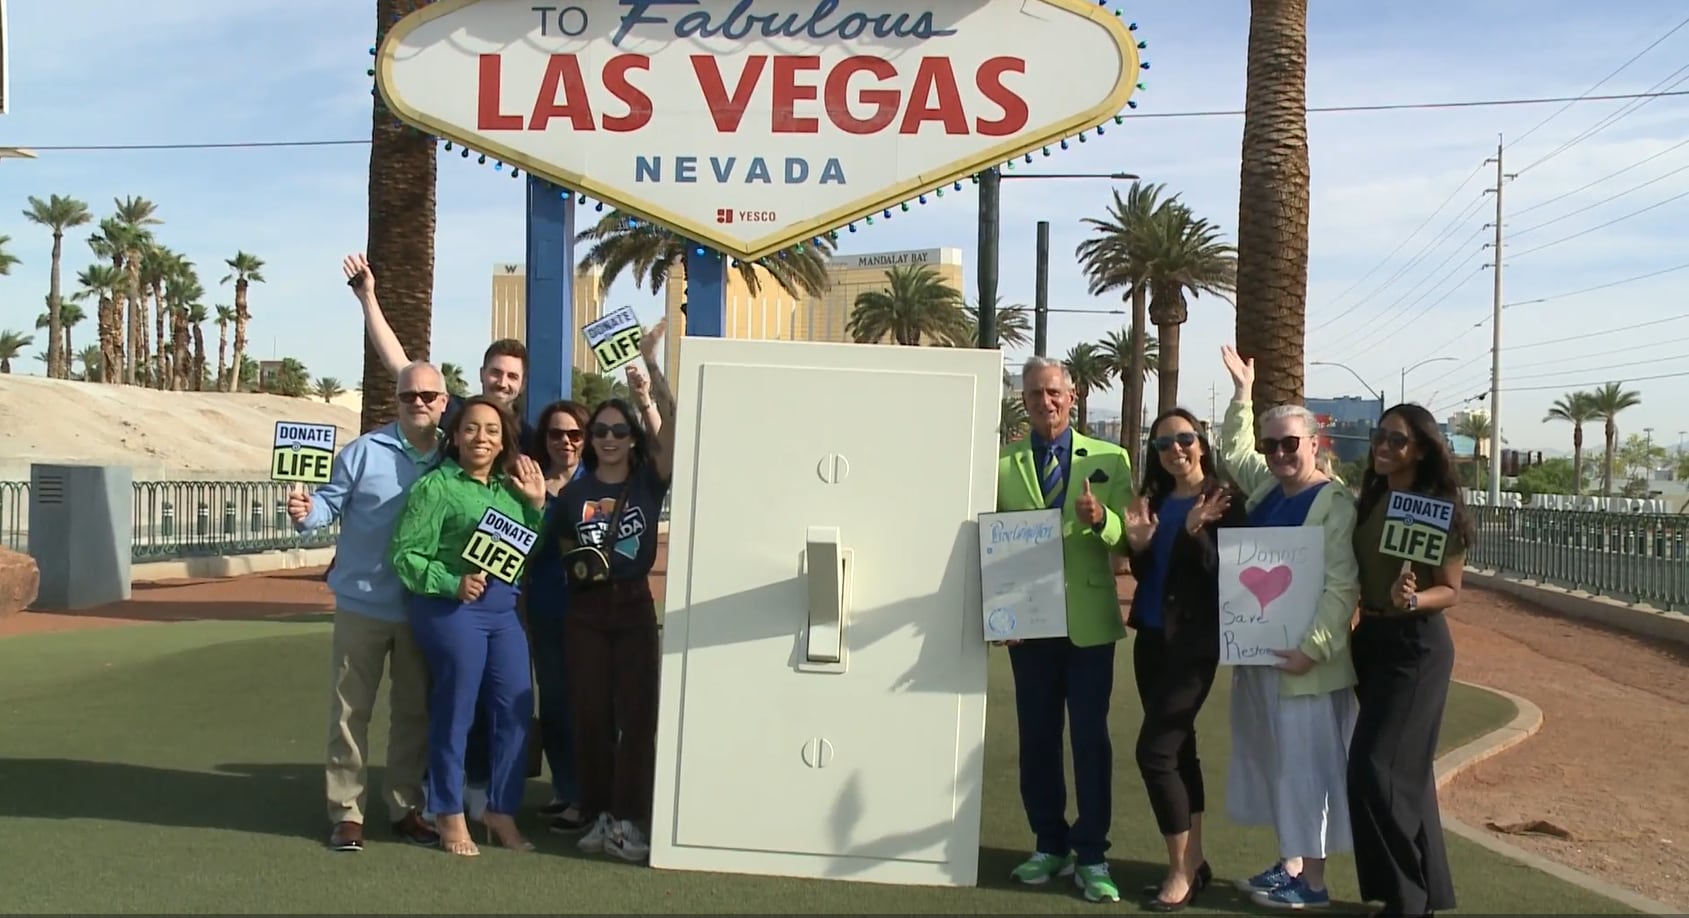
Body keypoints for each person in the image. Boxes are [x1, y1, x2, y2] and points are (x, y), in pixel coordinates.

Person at [343, 251, 530, 817]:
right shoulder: (453, 420)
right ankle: (434, 797)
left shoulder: (527, 434)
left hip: (504, 592)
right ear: (480, 377)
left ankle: (483, 793)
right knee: (443, 696)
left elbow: (544, 495)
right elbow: (403, 367)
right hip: (441, 592)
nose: (502, 382)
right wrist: (369, 298)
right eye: (495, 373)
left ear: (521, 385)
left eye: (512, 376)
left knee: (497, 696)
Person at [1215, 345, 1362, 910]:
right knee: (1277, 766)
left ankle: (1314, 883)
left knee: (1308, 772)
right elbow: (1234, 450)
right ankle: (1291, 863)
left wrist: (1312, 649)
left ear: (1314, 444)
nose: (1279, 453)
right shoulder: (1269, 488)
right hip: (1262, 659)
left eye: (1290, 444)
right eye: (1272, 444)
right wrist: (1242, 395)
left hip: (1307, 668)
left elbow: (1341, 587)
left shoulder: (1334, 504)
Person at [288, 360, 449, 853]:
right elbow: (327, 504)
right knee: (349, 712)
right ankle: (346, 812)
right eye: (408, 396)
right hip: (362, 604)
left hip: (422, 607)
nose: (417, 403)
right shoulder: (362, 451)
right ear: (395, 401)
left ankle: (404, 808)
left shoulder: (454, 455)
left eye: (427, 395)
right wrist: (306, 511)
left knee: (413, 713)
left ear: (444, 402)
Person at [996, 355, 1135, 904]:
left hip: (1088, 624)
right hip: (1028, 626)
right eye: (1035, 394)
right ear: (1024, 401)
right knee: (1037, 738)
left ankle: (1093, 854)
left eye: (1053, 392)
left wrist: (1103, 521)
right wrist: (999, 613)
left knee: (1090, 740)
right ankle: (1048, 844)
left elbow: (1128, 540)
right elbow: (990, 540)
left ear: (1072, 398)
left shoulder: (1110, 458)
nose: (1045, 402)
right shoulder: (1001, 464)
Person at [389, 395, 549, 857]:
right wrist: (452, 582)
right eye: (472, 429)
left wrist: (536, 505)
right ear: (455, 436)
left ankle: (500, 809)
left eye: (492, 431)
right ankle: (447, 810)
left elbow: (527, 549)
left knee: (515, 706)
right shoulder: (436, 487)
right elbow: (405, 555)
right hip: (451, 609)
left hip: (503, 611)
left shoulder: (508, 490)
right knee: (457, 707)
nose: (482, 437)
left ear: (503, 443)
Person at [549, 322, 676, 864]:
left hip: (633, 605)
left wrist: (650, 374)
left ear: (632, 437)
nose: (608, 438)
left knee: (638, 717)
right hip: (584, 608)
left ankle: (629, 819)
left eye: (619, 431)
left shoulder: (648, 481)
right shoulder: (572, 492)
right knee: (591, 716)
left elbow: (675, 427)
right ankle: (600, 812)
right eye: (599, 430)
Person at [1347, 404, 1473, 917]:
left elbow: (1451, 590)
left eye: (1396, 440)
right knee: (1408, 777)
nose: (1383, 446)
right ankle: (1423, 896)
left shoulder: (1437, 508)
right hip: (1371, 640)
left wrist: (1414, 598)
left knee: (1374, 768)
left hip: (1416, 647)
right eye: (1379, 436)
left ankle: (1407, 901)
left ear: (1420, 450)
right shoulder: (1373, 498)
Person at [1123, 408, 1249, 911]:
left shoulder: (1224, 500)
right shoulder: (1154, 500)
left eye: (1183, 439)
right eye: (1162, 444)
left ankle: (1179, 870)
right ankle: (1195, 861)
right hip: (1150, 640)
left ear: (1201, 441)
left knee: (1154, 753)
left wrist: (1195, 531)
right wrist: (1138, 546)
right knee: (1180, 752)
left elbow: (1228, 575)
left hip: (1194, 645)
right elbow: (1153, 571)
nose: (1175, 450)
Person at [520, 398, 593, 834]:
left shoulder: (600, 483)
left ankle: (590, 796)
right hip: (544, 611)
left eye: (574, 434)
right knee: (555, 704)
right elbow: (520, 550)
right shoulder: (528, 485)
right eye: (555, 434)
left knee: (588, 704)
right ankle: (565, 789)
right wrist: (533, 503)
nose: (565, 442)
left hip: (592, 613)